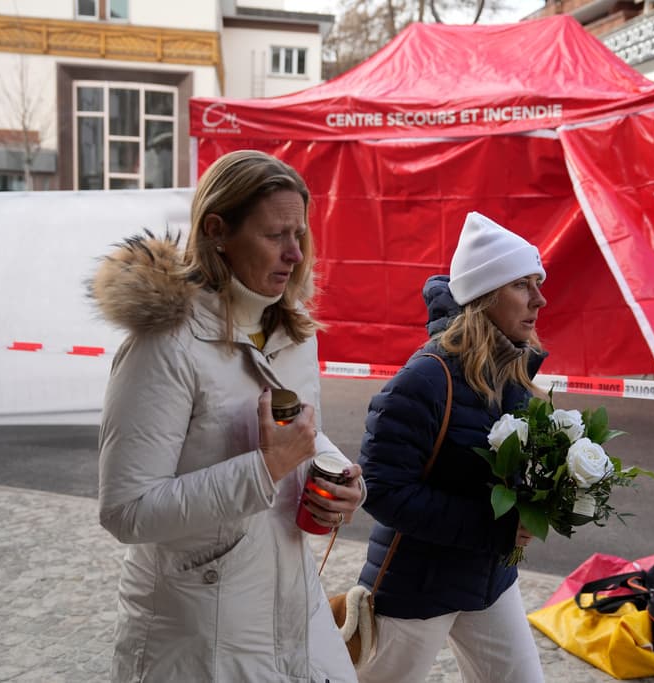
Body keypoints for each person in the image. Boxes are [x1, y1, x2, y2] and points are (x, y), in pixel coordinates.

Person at [90, 149, 365, 682]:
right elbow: (125, 510)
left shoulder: (293, 332)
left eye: (300, 235)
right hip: (199, 627)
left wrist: (339, 474)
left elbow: (297, 434)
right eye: (274, 235)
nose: (293, 253)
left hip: (293, 602)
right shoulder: (164, 343)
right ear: (217, 230)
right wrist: (264, 470)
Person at [355, 211, 549, 683]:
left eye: (538, 284)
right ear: (485, 295)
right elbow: (380, 489)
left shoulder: (514, 372)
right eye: (523, 285)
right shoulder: (426, 378)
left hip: (489, 581)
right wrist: (494, 527)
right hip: (417, 587)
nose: (539, 300)